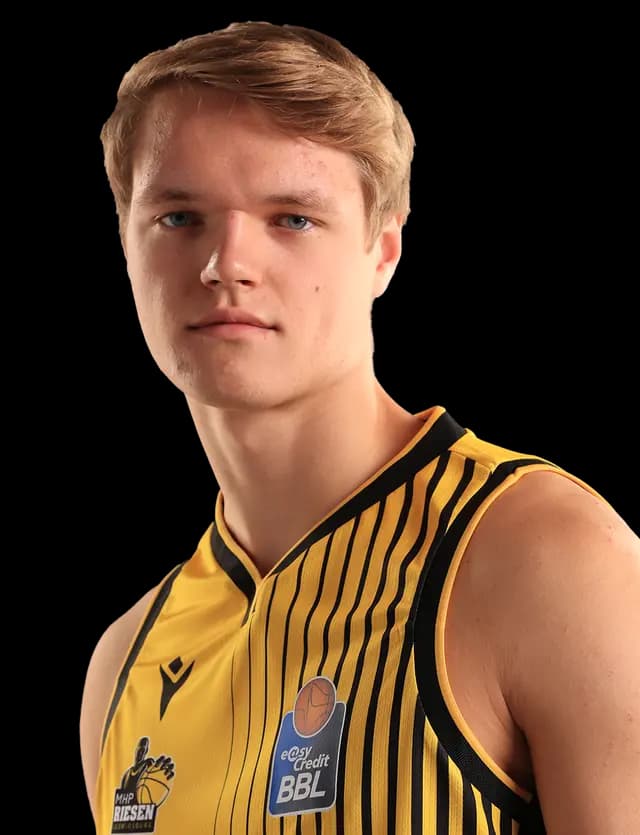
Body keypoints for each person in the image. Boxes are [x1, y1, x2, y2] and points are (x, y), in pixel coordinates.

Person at [79, 20, 640, 834]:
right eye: (179, 216)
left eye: (292, 218)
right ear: (126, 243)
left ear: (383, 251)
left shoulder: (545, 557)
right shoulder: (124, 665)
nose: (226, 264)